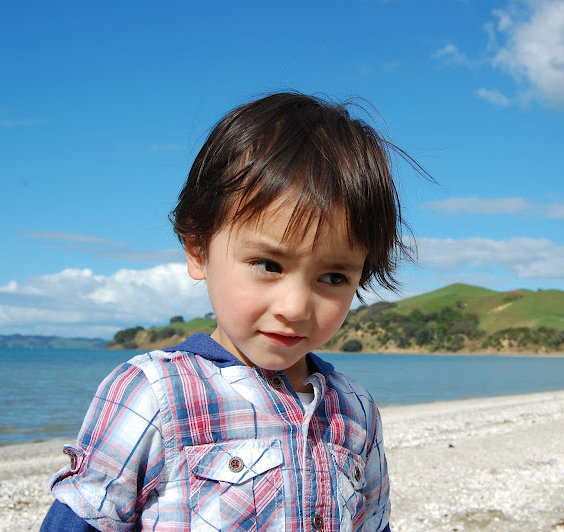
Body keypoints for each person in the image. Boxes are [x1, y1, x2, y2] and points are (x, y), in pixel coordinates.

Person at [41, 92, 428, 531]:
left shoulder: (355, 410)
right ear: (198, 250)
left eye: (334, 277)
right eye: (268, 265)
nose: (295, 307)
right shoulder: (154, 394)